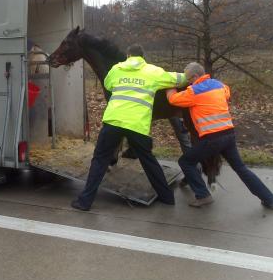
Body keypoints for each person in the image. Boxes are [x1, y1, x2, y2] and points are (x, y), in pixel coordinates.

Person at [71, 44, 187, 211]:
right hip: (137, 125)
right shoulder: (153, 71)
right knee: (148, 160)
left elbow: (108, 85)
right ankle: (167, 198)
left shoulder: (116, 69)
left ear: (128, 55)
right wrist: (196, 77)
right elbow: (180, 79)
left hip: (114, 121)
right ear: (143, 56)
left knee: (100, 160)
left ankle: (85, 201)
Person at [166, 62, 273, 209]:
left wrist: (169, 86)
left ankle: (203, 195)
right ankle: (269, 199)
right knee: (241, 168)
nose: (188, 82)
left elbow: (173, 99)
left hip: (211, 139)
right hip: (229, 135)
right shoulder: (219, 85)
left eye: (188, 79)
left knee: (186, 162)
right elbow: (227, 92)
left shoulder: (193, 91)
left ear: (195, 76)